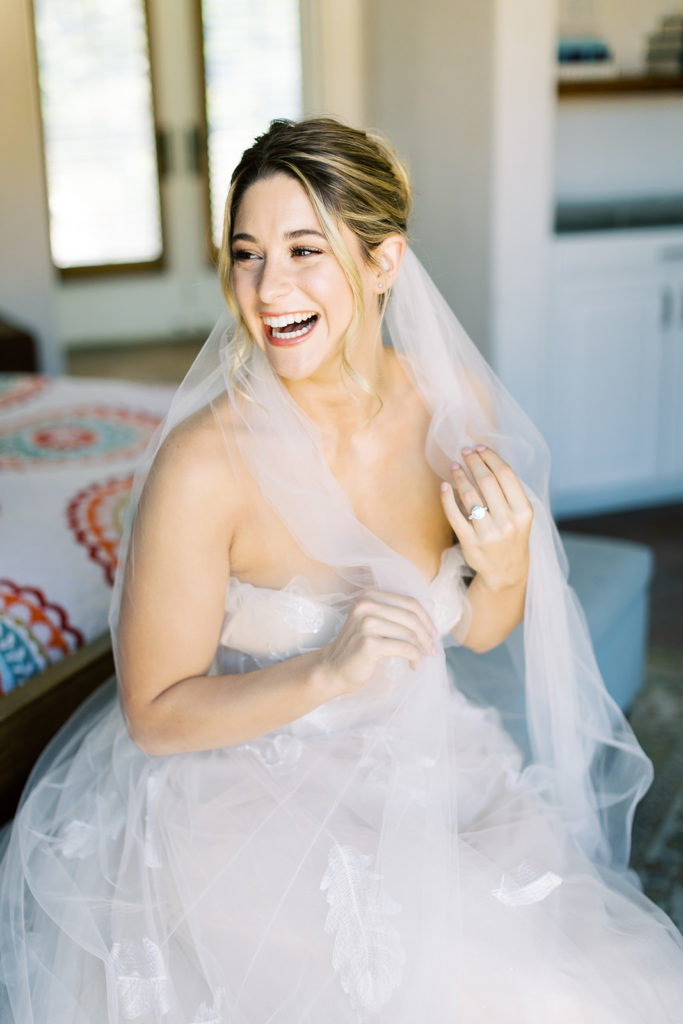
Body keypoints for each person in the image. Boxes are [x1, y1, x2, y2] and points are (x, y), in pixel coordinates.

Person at [1, 118, 682, 1023]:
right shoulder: (205, 465)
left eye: (302, 250)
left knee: (588, 987)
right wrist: (326, 669)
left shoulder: (449, 404)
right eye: (245, 254)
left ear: (382, 260)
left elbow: (479, 626)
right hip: (236, 799)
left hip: (427, 759)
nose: (266, 288)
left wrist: (505, 564)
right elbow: (156, 716)